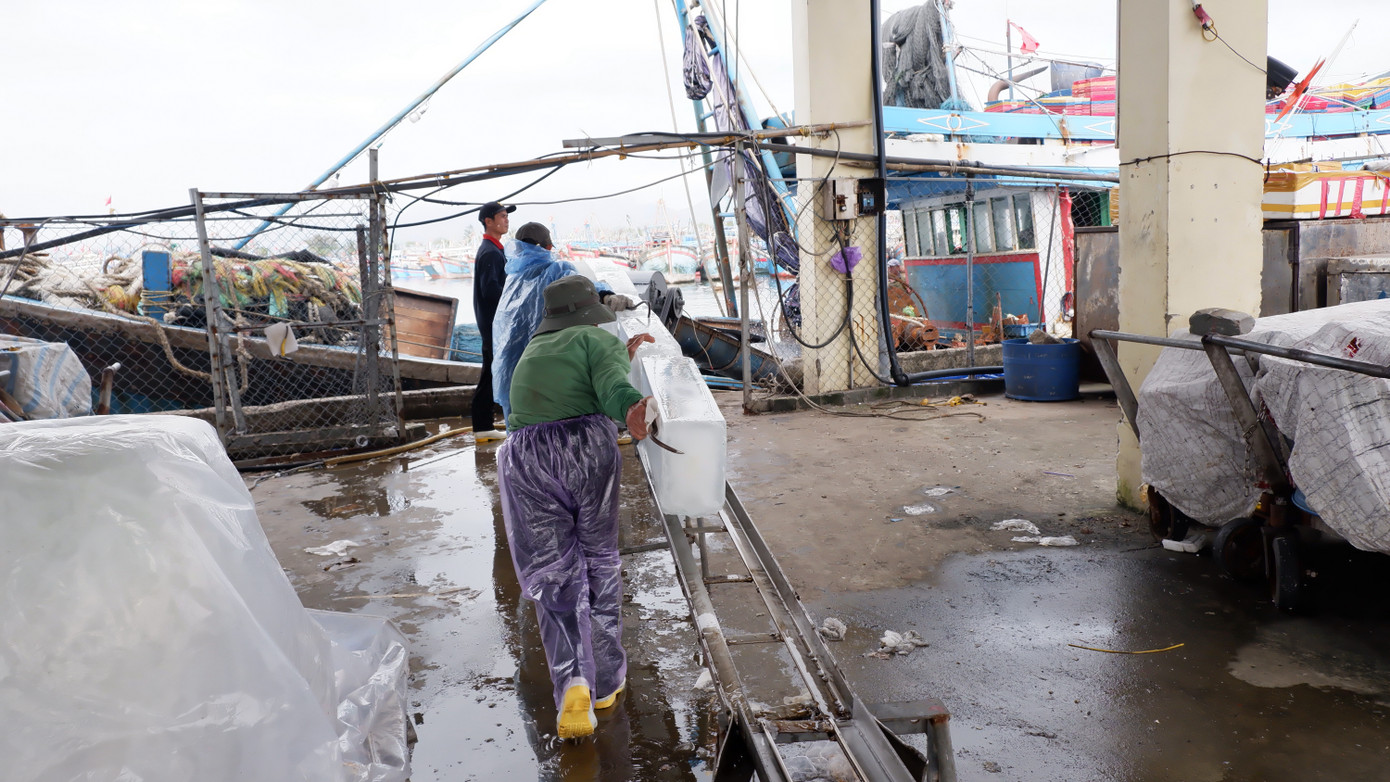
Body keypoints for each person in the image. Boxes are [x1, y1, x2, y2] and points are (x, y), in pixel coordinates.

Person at [496, 275, 655, 740]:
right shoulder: (595, 337)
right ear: (590, 311)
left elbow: (564, 389)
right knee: (598, 561)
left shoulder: (533, 350)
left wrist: (619, 363)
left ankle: (573, 682)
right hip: (584, 450)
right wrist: (631, 407)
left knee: (552, 572)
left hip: (524, 457)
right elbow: (608, 387)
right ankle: (605, 682)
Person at [491, 221, 637, 422]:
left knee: (522, 425)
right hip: (549, 364)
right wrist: (606, 294)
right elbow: (578, 285)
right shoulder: (555, 270)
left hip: (514, 370)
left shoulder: (513, 278)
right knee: (562, 418)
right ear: (549, 247)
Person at [469, 200, 516, 442]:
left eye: (507, 216)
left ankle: (484, 424)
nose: (506, 220)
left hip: (494, 324)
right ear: (488, 221)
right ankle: (482, 424)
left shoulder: (495, 250)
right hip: (493, 325)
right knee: (489, 373)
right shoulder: (490, 252)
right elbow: (491, 291)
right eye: (502, 216)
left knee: (491, 371)